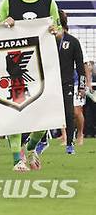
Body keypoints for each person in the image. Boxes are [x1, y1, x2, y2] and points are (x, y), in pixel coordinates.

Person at [0, 0, 61, 172]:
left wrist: (55, 30)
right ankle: (17, 160)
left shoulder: (49, 3)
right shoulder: (9, 3)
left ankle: (31, 149)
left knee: (44, 117)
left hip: (42, 67)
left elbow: (60, 31)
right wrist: (4, 25)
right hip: (15, 67)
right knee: (16, 113)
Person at [55, 10, 86, 154]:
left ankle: (70, 143)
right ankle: (42, 141)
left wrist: (81, 85)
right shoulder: (48, 40)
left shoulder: (73, 41)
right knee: (49, 112)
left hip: (67, 83)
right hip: (50, 83)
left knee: (70, 113)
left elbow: (80, 66)